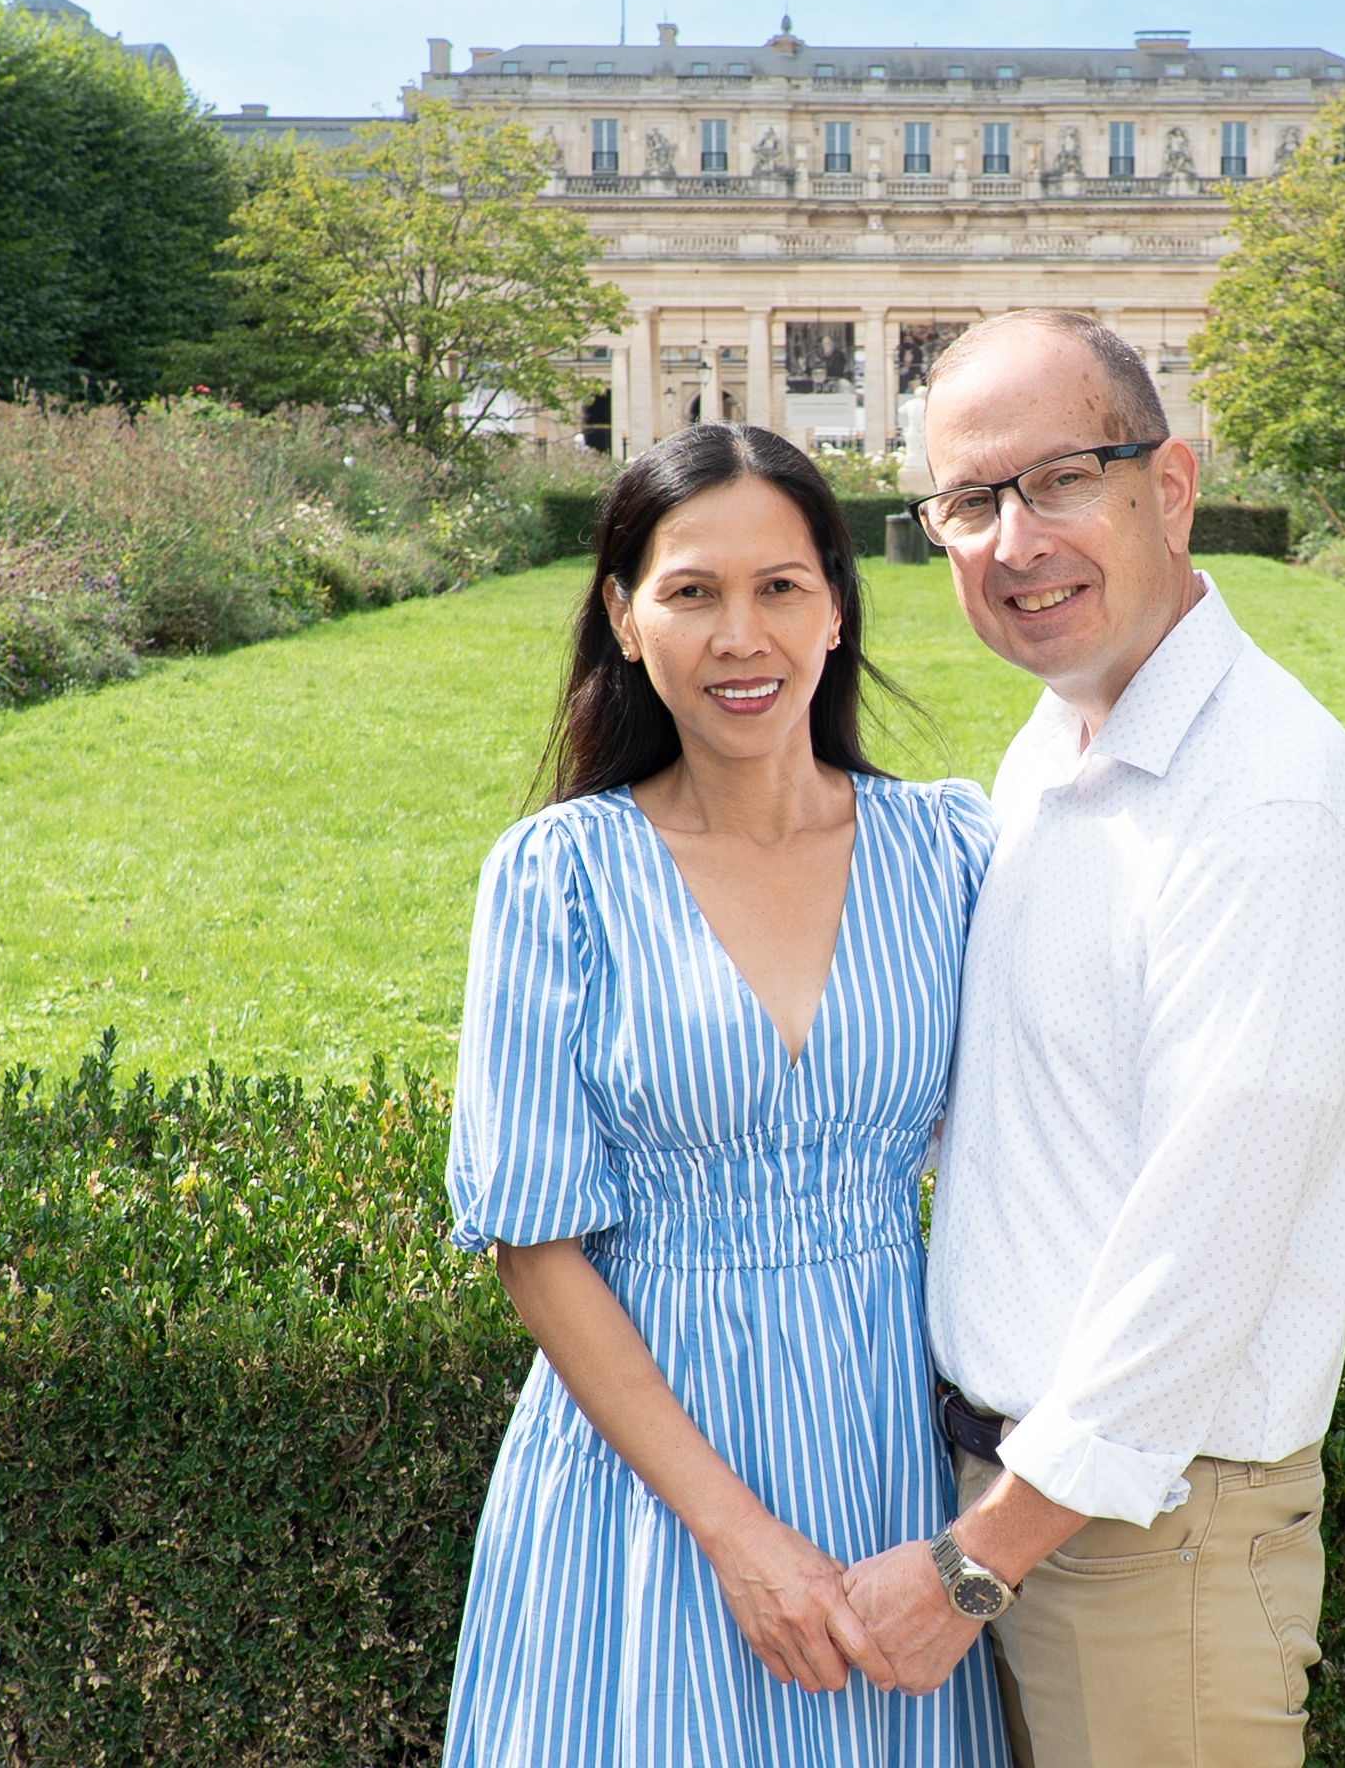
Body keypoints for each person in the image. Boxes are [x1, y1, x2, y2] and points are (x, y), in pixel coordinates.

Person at [842, 311, 1345, 1766]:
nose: (1013, 540)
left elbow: (1201, 1257)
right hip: (1034, 1513)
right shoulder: (1062, 742)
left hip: (1139, 1546)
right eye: (970, 502)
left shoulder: (1261, 804)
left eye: (1059, 481)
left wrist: (981, 1561)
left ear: (1168, 488)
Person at [440, 422, 1010, 1766]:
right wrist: (738, 1539)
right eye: (692, 591)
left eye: (779, 587)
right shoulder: (558, 874)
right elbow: (533, 1240)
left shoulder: (954, 848)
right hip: (647, 1489)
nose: (739, 635)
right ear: (624, 621)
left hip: (885, 1455)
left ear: (835, 606)